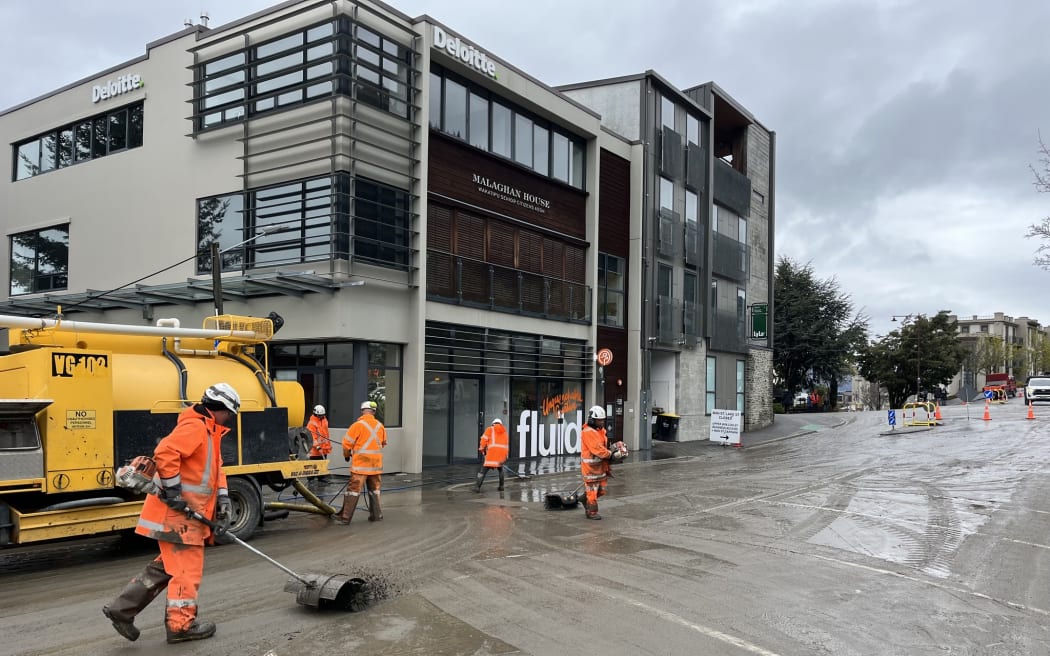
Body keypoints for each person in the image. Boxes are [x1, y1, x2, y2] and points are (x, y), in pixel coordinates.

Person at [103, 383, 240, 644]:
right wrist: (175, 492)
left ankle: (122, 609)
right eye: (229, 413)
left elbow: (216, 467)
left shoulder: (211, 430)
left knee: (166, 567)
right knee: (187, 572)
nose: (230, 418)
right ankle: (181, 626)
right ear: (218, 409)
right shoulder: (195, 427)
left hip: (188, 514)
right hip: (177, 516)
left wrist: (222, 497)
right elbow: (165, 453)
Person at [337, 400, 387, 524]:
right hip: (375, 466)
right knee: (374, 490)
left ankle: (345, 518)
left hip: (361, 466)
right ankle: (376, 516)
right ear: (374, 412)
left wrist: (347, 455)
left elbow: (346, 444)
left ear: (362, 411)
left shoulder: (357, 425)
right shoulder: (380, 426)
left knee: (353, 491)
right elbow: (383, 443)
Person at [580, 405, 626, 520]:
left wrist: (614, 448)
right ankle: (592, 512)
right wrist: (612, 455)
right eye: (599, 420)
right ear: (592, 420)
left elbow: (603, 447)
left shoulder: (600, 431)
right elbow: (598, 449)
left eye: (602, 420)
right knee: (592, 491)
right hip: (590, 468)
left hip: (601, 466)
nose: (602, 422)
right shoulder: (588, 432)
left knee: (602, 490)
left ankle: (584, 498)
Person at [473, 418, 509, 492]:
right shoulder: (504, 432)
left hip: (492, 454)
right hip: (501, 455)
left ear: (493, 423)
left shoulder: (490, 429)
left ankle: (477, 487)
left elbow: (484, 440)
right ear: (500, 424)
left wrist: (482, 449)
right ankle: (501, 486)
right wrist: (505, 456)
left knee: (482, 471)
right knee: (500, 469)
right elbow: (506, 446)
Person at [306, 404, 331, 483]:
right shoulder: (311, 423)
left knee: (322, 463)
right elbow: (311, 437)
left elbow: (326, 433)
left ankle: (321, 477)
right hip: (315, 449)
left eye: (322, 415)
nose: (321, 416)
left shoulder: (324, 420)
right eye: (319, 415)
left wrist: (327, 446)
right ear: (315, 414)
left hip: (324, 447)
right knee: (313, 463)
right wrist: (317, 446)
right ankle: (310, 478)